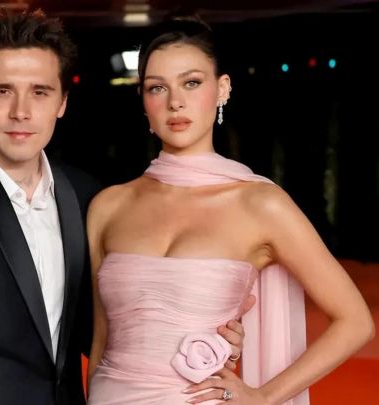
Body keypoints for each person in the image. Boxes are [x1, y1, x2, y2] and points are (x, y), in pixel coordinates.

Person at [0, 9, 247, 405]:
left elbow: (104, 330)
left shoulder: (84, 196)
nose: (21, 111)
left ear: (62, 102)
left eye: (40, 92)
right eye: (2, 91)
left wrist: (204, 332)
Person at [86, 15, 374, 405]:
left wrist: (264, 396)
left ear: (222, 89)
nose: (175, 102)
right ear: (144, 101)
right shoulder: (108, 206)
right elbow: (101, 341)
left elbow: (355, 322)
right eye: (157, 87)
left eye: (191, 82)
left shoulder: (260, 204)